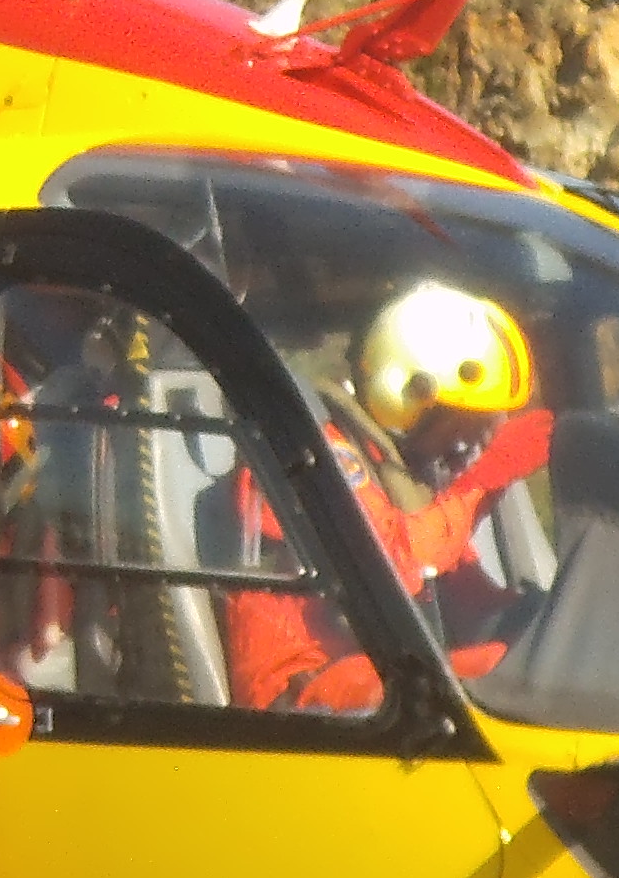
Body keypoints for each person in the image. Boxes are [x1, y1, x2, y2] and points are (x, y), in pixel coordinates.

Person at [225, 279, 552, 718]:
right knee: (505, 676)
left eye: (489, 427)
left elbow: (461, 595)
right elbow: (398, 561)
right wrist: (495, 473)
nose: (476, 446)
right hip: (298, 696)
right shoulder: (313, 456)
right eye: (465, 424)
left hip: (372, 678)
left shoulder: (405, 472)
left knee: (535, 666)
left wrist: (539, 625)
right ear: (403, 396)